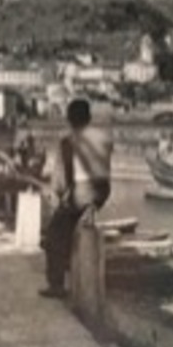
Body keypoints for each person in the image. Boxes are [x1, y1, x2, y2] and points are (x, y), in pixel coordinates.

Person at [39, 98, 113, 298]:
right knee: (73, 225)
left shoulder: (68, 142)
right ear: (89, 117)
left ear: (70, 119)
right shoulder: (104, 137)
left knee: (53, 235)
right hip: (103, 191)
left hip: (82, 192)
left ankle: (57, 285)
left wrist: (57, 196)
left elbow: (63, 179)